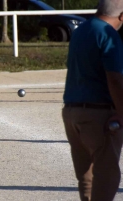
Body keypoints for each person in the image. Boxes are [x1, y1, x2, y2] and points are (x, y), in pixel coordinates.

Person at [62, 0, 123, 200]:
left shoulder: (81, 30)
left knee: (86, 177)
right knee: (107, 176)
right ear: (121, 16)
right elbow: (114, 79)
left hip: (72, 112)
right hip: (98, 114)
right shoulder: (108, 33)